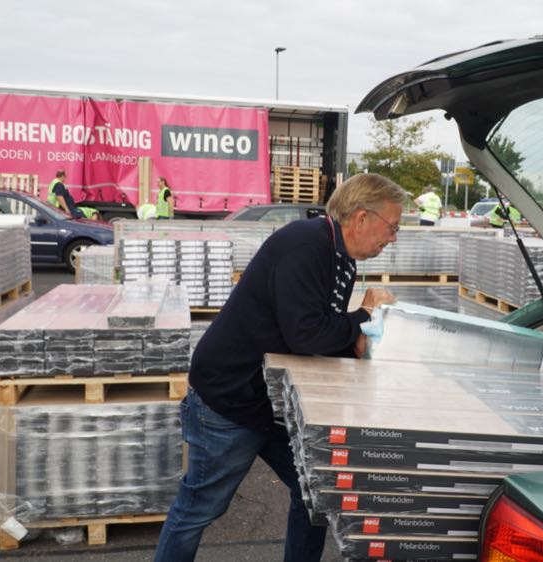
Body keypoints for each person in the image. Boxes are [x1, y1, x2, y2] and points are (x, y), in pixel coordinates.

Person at [155, 173, 405, 562]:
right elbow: (306, 335)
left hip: (270, 399)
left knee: (314, 493)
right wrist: (363, 315)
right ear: (360, 217)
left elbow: (320, 333)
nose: (393, 238)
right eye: (392, 227)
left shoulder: (341, 261)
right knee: (199, 509)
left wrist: (356, 339)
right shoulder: (307, 247)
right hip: (229, 397)